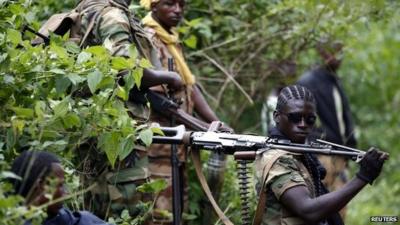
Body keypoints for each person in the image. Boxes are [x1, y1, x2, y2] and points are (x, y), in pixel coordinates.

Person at [72, 0, 194, 220]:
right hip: (121, 132)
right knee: (131, 209)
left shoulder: (86, 10)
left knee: (95, 208)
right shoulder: (113, 17)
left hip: (91, 124)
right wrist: (169, 76)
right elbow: (127, 69)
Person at [139, 0, 227, 223]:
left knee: (178, 211)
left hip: (178, 147)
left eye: (181, 4)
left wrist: (217, 124)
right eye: (170, 4)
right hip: (159, 145)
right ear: (153, 6)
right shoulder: (148, 38)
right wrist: (202, 127)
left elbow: (190, 88)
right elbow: (156, 97)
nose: (177, 10)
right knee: (161, 213)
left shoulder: (171, 39)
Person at [254, 85, 388, 225]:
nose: (303, 124)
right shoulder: (276, 158)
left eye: (310, 119)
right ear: (276, 116)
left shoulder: (298, 152)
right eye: (295, 117)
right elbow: (308, 210)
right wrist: (362, 177)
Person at [296, 41, 356, 217]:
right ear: (321, 53)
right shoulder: (309, 82)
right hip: (321, 155)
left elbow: (342, 120)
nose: (337, 57)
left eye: (339, 52)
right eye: (332, 52)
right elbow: (301, 122)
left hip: (339, 156)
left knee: (340, 211)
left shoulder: (333, 80)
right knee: (321, 207)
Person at [10, 151, 110, 225]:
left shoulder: (54, 216)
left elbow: (79, 220)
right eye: (60, 185)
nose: (66, 193)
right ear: (41, 185)